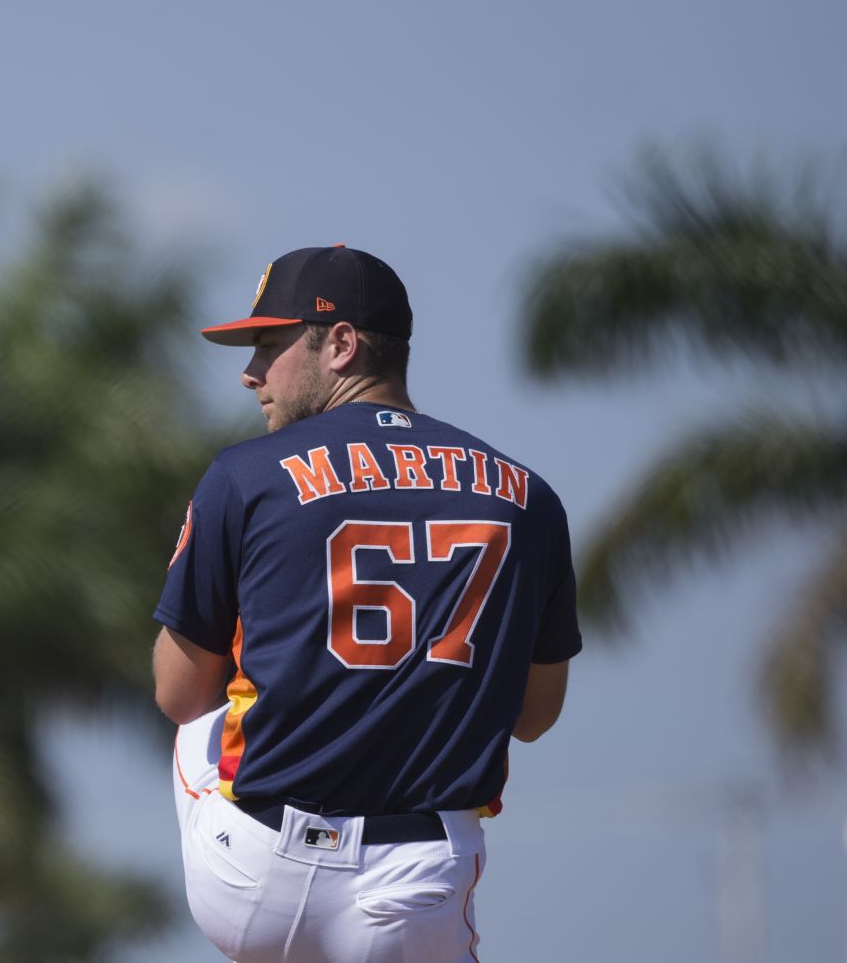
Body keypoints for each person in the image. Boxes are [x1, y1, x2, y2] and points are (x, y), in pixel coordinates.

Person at [152, 245, 579, 963]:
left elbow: (177, 693)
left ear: (342, 344)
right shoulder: (528, 496)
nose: (250, 372)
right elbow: (535, 717)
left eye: (269, 344)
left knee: (204, 727)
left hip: (257, 878)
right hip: (418, 884)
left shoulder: (246, 476)